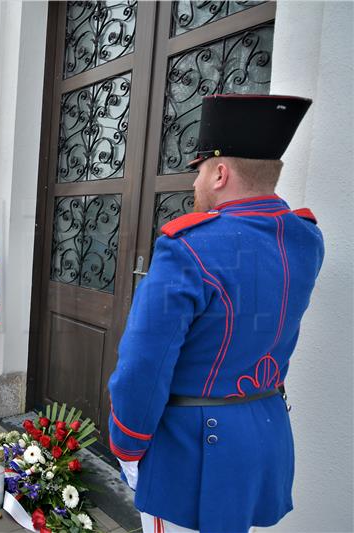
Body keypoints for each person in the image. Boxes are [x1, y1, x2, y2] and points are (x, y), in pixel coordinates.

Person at [107, 94, 324, 533]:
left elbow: (143, 365)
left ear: (221, 173)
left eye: (200, 171)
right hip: (264, 433)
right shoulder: (307, 239)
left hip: (194, 451)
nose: (194, 184)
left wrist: (128, 443)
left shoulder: (188, 246)